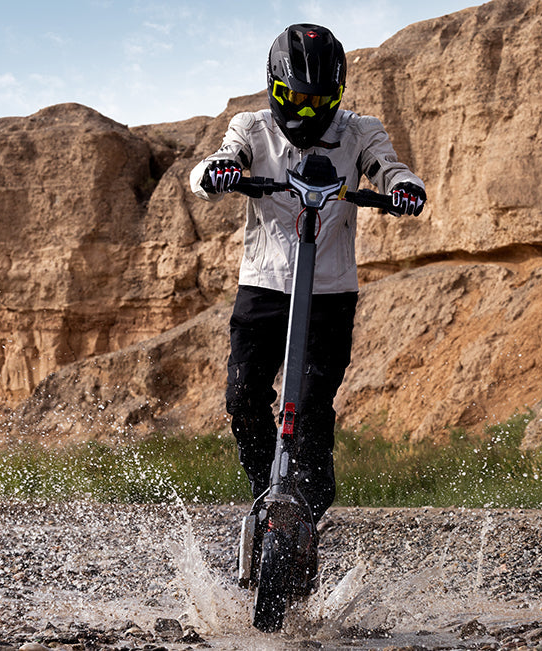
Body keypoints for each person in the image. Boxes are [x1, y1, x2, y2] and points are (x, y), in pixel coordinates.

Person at [189, 23, 426, 525]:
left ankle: (310, 507)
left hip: (330, 294)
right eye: (293, 99)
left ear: (337, 94)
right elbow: (214, 166)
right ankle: (264, 490)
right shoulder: (251, 128)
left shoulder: (361, 131)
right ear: (273, 85)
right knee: (244, 397)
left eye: (318, 101)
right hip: (265, 287)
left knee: (314, 405)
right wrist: (219, 172)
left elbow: (388, 169)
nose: (304, 112)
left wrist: (404, 187)